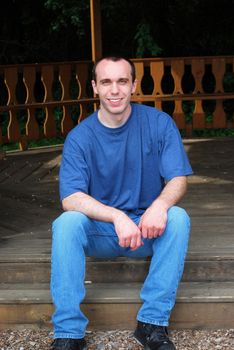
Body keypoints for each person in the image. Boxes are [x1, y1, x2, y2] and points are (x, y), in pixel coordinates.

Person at [50, 56, 193, 350]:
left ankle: (152, 325)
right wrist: (115, 216)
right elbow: (71, 198)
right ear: (95, 87)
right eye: (106, 82)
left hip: (146, 229)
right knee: (67, 223)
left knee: (178, 217)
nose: (114, 90)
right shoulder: (80, 137)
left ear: (133, 85)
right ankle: (69, 333)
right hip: (103, 231)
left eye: (122, 81)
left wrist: (158, 206)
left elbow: (178, 179)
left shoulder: (159, 123)